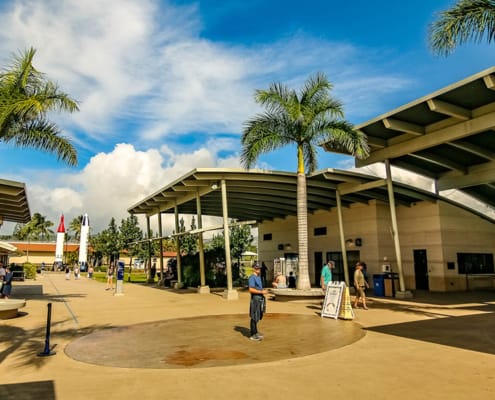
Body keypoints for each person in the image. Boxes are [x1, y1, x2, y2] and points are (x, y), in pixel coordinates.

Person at [248, 263, 268, 341]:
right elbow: (251, 289)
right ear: (253, 269)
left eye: (259, 268)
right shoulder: (252, 278)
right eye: (256, 268)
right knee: (254, 316)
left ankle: (255, 332)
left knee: (258, 315)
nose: (258, 270)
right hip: (255, 298)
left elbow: (258, 288)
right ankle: (253, 334)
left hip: (260, 298)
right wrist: (261, 292)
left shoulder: (258, 277)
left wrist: (262, 291)